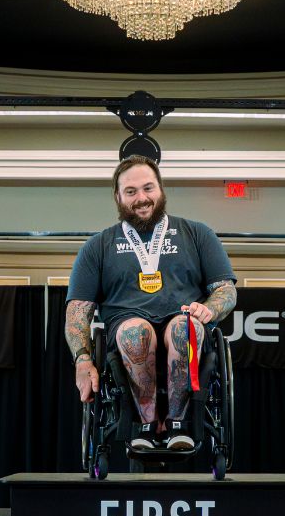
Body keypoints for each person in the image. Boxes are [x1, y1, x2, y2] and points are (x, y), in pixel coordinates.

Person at [65, 154, 236, 451]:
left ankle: (177, 423)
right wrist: (82, 360)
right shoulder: (98, 247)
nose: (141, 198)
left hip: (184, 321)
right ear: (118, 197)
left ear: (161, 189)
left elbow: (226, 290)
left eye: (148, 188)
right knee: (136, 331)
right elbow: (77, 312)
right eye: (131, 191)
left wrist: (210, 308)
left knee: (184, 328)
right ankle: (146, 422)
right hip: (127, 328)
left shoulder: (198, 234)